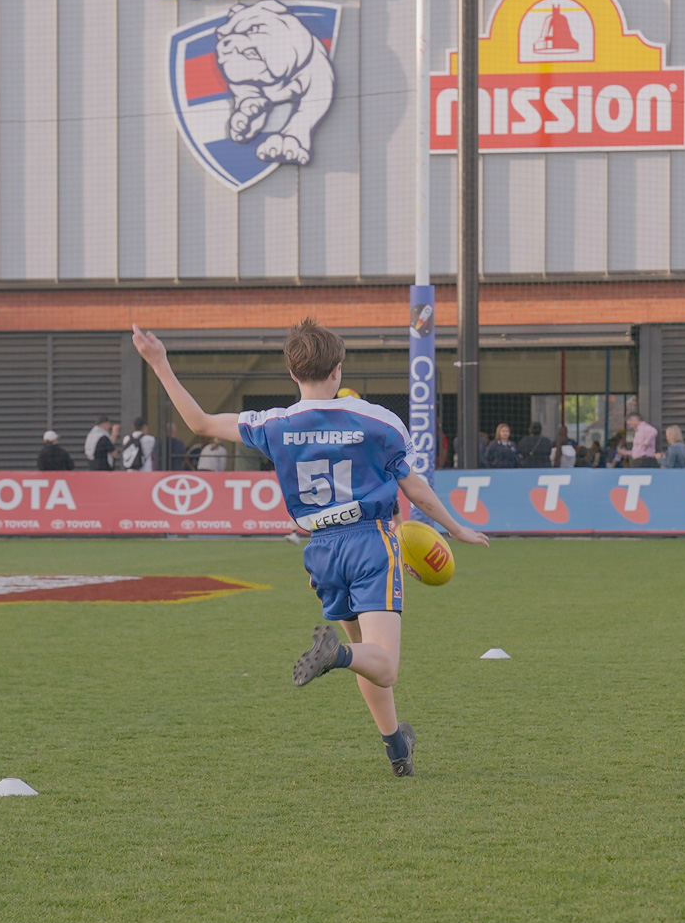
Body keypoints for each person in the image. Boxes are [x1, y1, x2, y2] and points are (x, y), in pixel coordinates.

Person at [131, 318, 489, 778]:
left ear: (293, 374)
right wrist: (454, 528)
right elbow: (414, 489)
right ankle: (333, 655)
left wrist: (159, 362)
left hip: (321, 551)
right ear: (338, 369)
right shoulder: (377, 421)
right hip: (369, 543)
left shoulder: (273, 424)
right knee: (383, 664)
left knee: (367, 654)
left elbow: (199, 421)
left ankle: (397, 746)